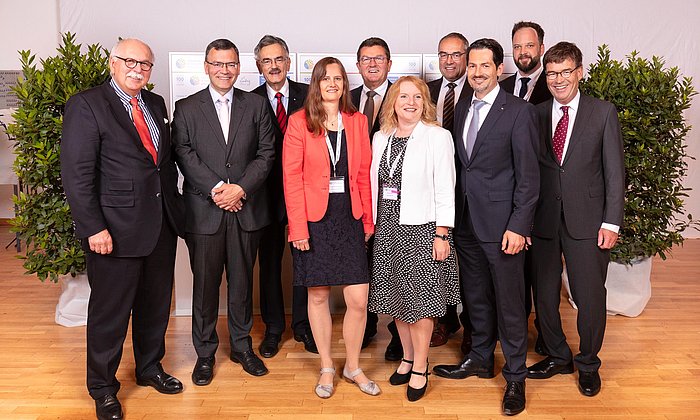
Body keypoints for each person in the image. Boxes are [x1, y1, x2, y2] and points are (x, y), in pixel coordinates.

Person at [61, 38, 186, 420]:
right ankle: (102, 387)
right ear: (113, 63)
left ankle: (150, 368)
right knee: (109, 314)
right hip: (112, 231)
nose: (138, 69)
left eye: (145, 64)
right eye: (130, 62)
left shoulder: (155, 104)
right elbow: (77, 174)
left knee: (154, 307)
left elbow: (159, 165)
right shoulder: (87, 104)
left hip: (160, 224)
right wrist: (93, 227)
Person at [432, 39, 540, 416]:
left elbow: (529, 178)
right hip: (466, 224)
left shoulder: (519, 112)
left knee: (510, 304)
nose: (476, 72)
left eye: (484, 66)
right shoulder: (462, 106)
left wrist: (518, 225)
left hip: (503, 228)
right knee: (474, 296)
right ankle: (480, 358)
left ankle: (515, 376)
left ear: (499, 69)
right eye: (472, 65)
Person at [172, 38, 275, 383]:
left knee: (243, 285)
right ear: (206, 67)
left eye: (230, 64)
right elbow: (184, 155)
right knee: (204, 287)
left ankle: (242, 347)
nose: (224, 70)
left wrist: (240, 189)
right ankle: (204, 354)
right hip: (205, 213)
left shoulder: (257, 106)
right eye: (217, 64)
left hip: (246, 210)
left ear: (239, 67)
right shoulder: (186, 107)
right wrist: (219, 190)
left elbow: (266, 154)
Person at [527, 41, 624, 397]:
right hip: (544, 221)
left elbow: (615, 172)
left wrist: (611, 222)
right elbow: (531, 173)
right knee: (545, 294)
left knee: (590, 296)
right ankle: (557, 354)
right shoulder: (535, 115)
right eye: (551, 73)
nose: (558, 80)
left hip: (589, 221)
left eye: (565, 71)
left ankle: (588, 363)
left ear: (579, 72)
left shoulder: (602, 113)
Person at [283, 57, 379, 399]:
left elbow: (366, 175)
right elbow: (291, 179)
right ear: (316, 84)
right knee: (318, 294)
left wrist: (369, 219)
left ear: (344, 83)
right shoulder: (299, 122)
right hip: (313, 218)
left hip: (349, 216)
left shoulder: (358, 121)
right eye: (326, 78)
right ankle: (326, 365)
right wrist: (298, 228)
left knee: (358, 298)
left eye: (338, 78)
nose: (333, 84)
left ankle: (352, 366)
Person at [368, 76, 459, 402]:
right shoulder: (381, 138)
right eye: (403, 96)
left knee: (420, 304)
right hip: (387, 229)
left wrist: (442, 233)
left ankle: (421, 366)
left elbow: (446, 187)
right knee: (396, 301)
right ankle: (406, 358)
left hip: (421, 229)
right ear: (393, 101)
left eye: (417, 97)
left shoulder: (437, 136)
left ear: (425, 103)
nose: (410, 103)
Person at [250, 34, 317, 358]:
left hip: (305, 196)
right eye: (267, 60)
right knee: (270, 266)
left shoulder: (310, 96)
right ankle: (274, 328)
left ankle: (304, 326)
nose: (274, 66)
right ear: (258, 65)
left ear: (289, 62)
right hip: (264, 199)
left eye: (279, 59)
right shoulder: (248, 101)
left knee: (306, 263)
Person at [500, 20, 553, 356]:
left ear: (541, 49)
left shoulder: (557, 85)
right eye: (517, 47)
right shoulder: (501, 87)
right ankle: (513, 337)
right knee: (512, 277)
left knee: (542, 276)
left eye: (529, 46)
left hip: (545, 196)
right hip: (509, 198)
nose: (523, 53)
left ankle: (547, 340)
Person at [349, 36, 402, 360]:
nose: (372, 64)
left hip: (394, 198)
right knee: (361, 262)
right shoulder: (347, 98)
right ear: (357, 66)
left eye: (378, 58)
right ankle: (366, 326)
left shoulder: (402, 96)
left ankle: (399, 333)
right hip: (356, 195)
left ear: (389, 64)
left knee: (394, 264)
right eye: (366, 59)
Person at [426, 32, 474, 353]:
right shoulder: (427, 92)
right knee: (437, 259)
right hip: (435, 188)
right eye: (444, 54)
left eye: (456, 54)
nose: (449, 60)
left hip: (470, 190)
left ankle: (472, 324)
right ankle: (444, 320)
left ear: (467, 58)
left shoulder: (480, 89)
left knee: (469, 261)